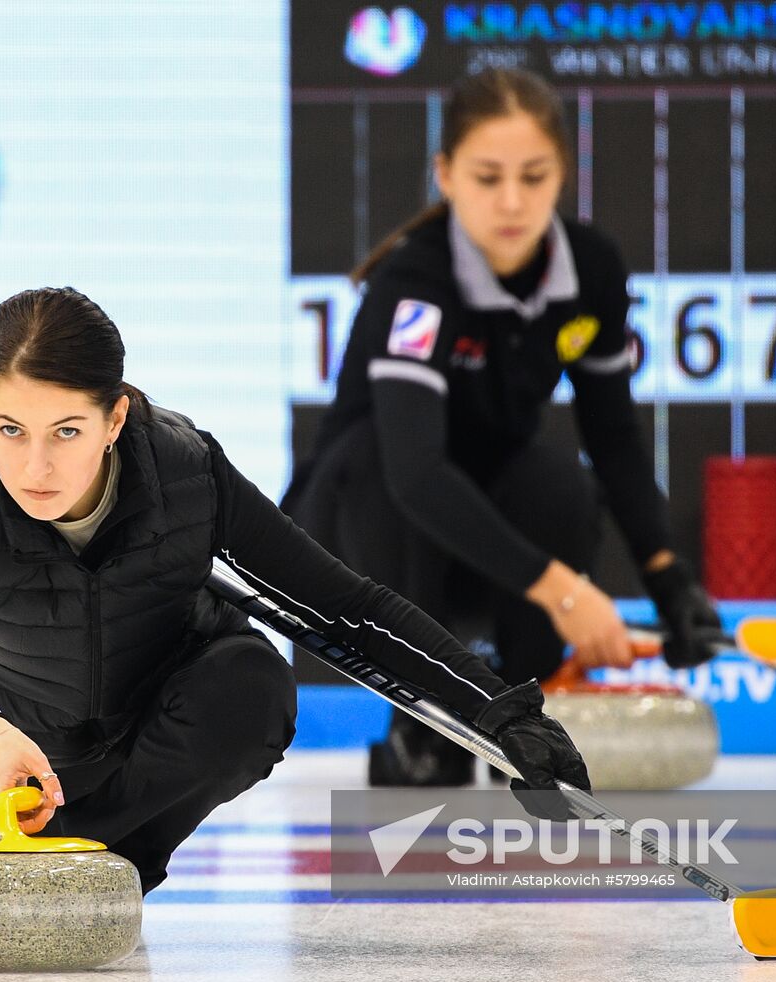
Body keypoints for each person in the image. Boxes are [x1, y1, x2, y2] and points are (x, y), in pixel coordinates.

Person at [0, 286, 590, 894]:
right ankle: (86, 857)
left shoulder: (187, 472)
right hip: (38, 743)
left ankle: (102, 861)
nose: (35, 466)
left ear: (114, 420)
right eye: (9, 430)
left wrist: (497, 712)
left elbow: (348, 609)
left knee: (252, 684)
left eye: (67, 431)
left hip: (166, 710)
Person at [282, 68, 721, 787]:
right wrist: (568, 596)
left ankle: (516, 713)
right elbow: (417, 474)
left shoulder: (593, 269)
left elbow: (613, 436)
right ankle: (421, 718)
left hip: (478, 526)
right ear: (447, 175)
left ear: (562, 176)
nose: (512, 202)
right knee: (393, 476)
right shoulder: (415, 283)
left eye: (533, 176)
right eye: (488, 178)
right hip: (353, 538)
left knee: (564, 490)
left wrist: (670, 580)